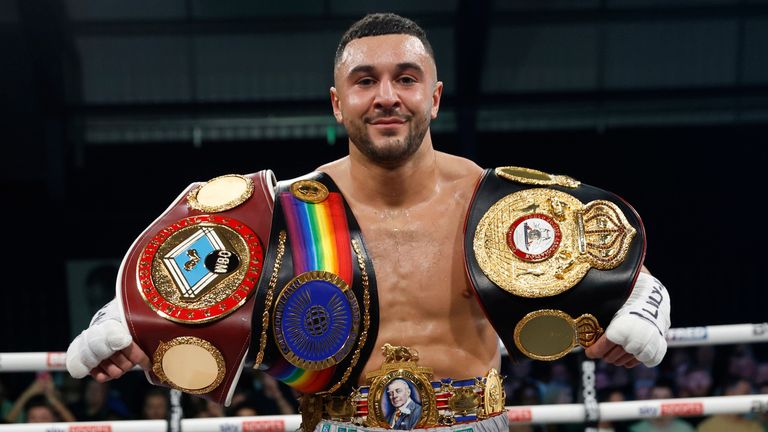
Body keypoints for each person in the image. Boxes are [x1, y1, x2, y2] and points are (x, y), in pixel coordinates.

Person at [65, 12, 672, 432]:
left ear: (434, 97)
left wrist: (642, 309)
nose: (387, 95)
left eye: (406, 79)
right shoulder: (287, 211)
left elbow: (621, 270)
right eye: (365, 81)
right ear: (338, 101)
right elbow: (167, 285)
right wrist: (126, 324)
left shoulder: (502, 203)